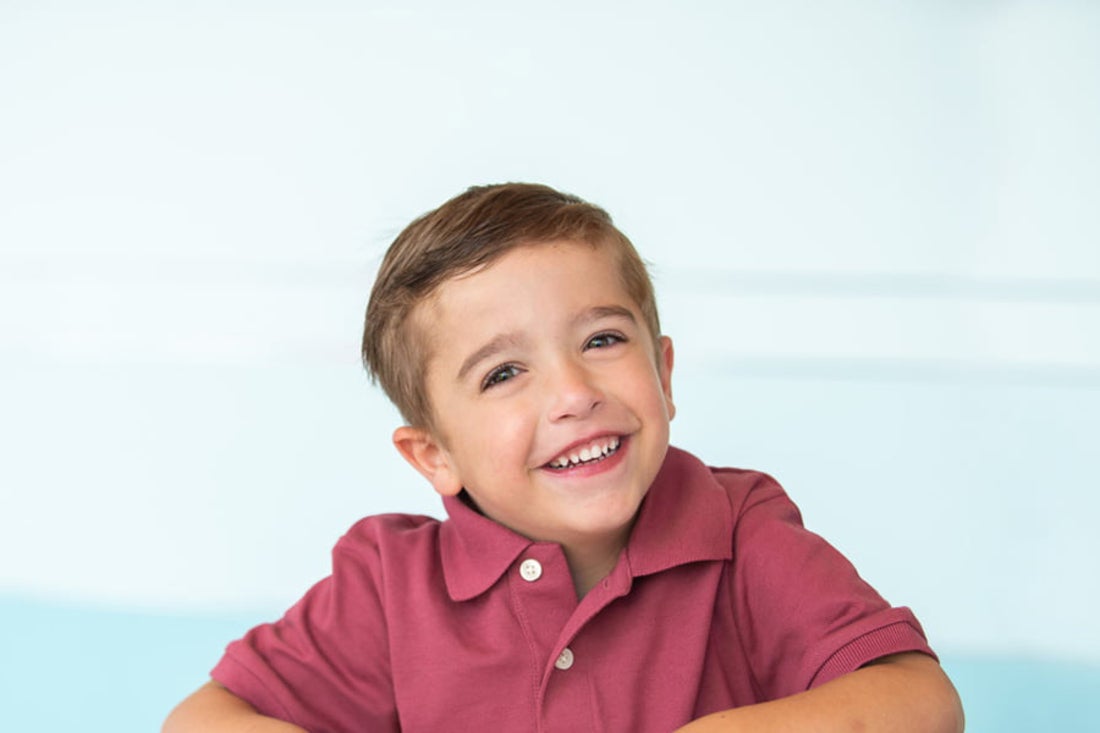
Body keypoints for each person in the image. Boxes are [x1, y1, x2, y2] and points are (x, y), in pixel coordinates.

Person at [163, 183, 964, 732]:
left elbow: (924, 702)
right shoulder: (387, 584)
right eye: (505, 372)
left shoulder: (740, 527)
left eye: (603, 340)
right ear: (434, 455)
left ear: (665, 373)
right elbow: (200, 718)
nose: (573, 391)